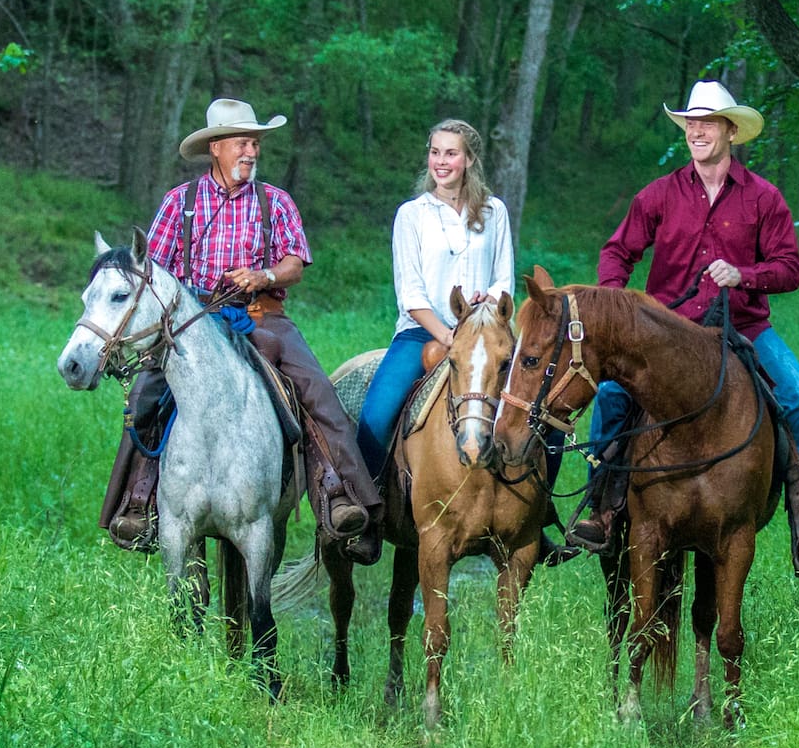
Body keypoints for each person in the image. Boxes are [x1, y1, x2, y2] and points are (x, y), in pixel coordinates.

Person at [570, 79, 799, 576]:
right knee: (610, 397)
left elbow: (790, 268)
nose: (697, 130)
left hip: (743, 328)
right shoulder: (661, 194)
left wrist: (744, 274)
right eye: (691, 122)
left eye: (707, 122)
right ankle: (600, 509)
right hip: (667, 334)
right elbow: (617, 251)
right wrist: (620, 308)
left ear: (731, 130)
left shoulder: (763, 198)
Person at [107, 97, 383, 564]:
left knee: (316, 391)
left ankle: (342, 497)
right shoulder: (182, 203)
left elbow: (294, 263)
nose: (251, 152)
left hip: (260, 315)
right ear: (216, 148)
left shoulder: (275, 200)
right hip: (192, 323)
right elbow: (151, 270)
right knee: (145, 395)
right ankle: (139, 501)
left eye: (254, 143)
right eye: (242, 143)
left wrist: (265, 276)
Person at [356, 118, 515, 479]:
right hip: (422, 332)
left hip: (486, 334)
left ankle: (538, 515)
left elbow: (504, 280)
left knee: (541, 416)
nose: (441, 161)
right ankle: (364, 509)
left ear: (470, 160)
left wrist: (487, 301)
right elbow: (411, 294)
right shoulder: (412, 215)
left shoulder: (494, 211)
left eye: (451, 153)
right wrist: (447, 336)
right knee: (376, 416)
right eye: (435, 152)